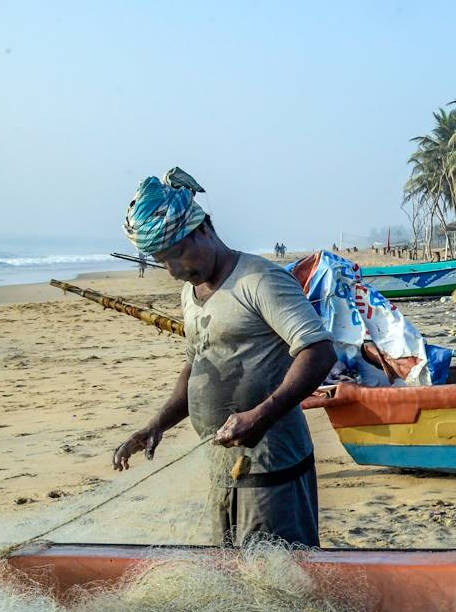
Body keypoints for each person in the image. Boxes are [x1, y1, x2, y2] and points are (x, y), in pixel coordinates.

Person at [112, 168, 337, 547]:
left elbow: (318, 351)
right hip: (223, 468)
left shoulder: (259, 280)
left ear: (203, 229)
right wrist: (156, 425)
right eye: (162, 259)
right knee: (235, 574)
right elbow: (197, 363)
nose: (173, 270)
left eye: (178, 253)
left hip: (272, 469)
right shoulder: (191, 291)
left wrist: (260, 415)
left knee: (281, 580)